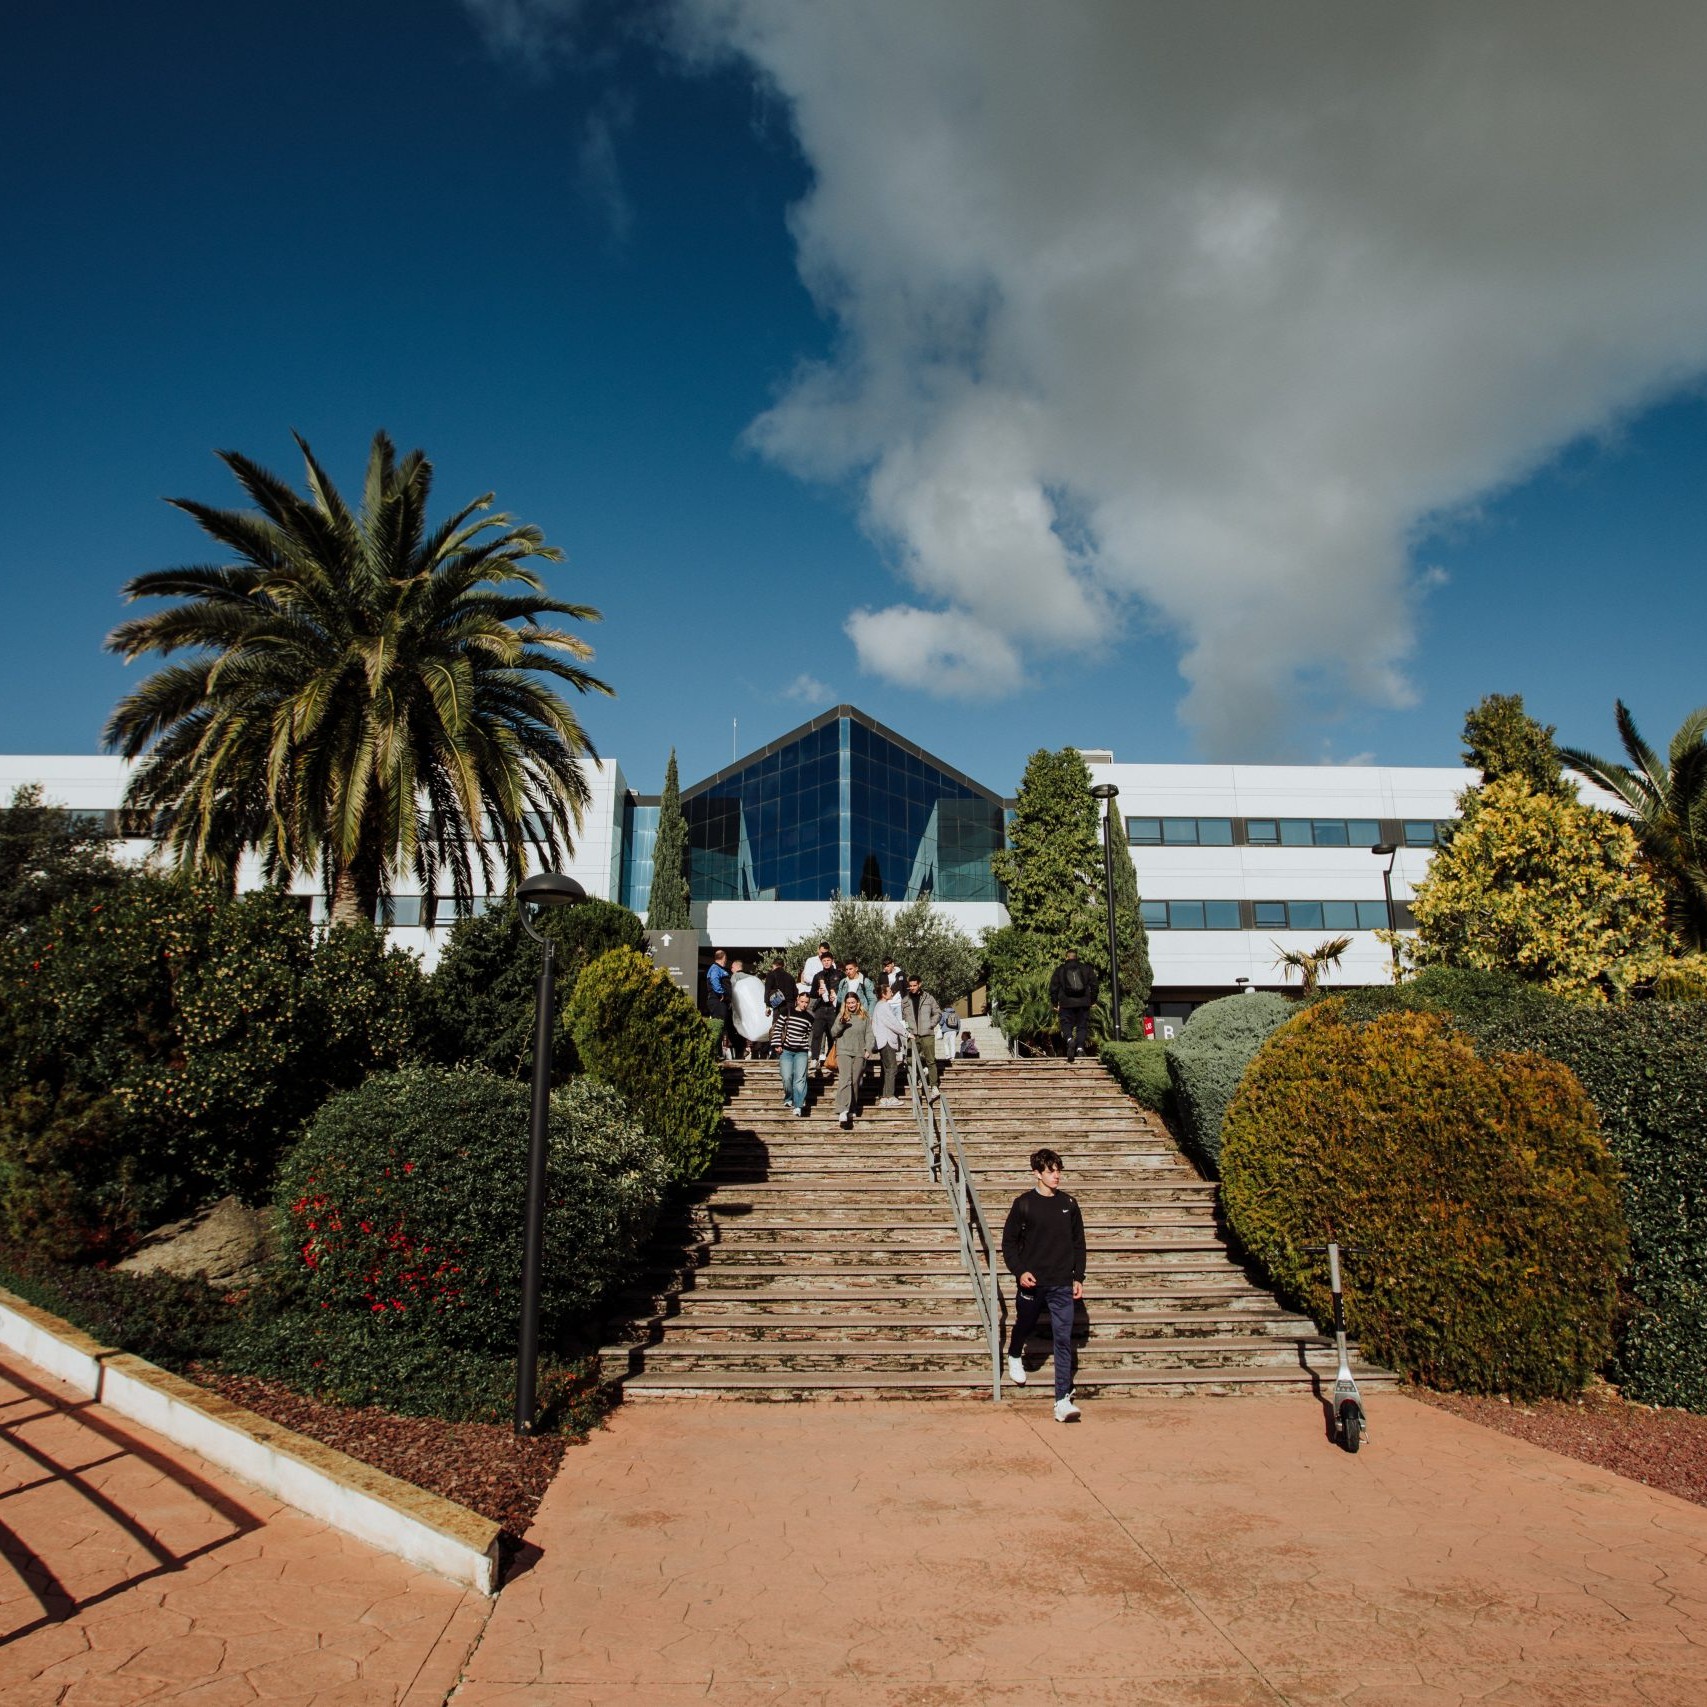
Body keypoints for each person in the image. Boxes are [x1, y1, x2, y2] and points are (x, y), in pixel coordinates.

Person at [1000, 1148, 1086, 1422]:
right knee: (1025, 1323)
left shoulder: (1070, 1204)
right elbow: (1008, 1243)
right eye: (1050, 1171)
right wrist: (1020, 1271)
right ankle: (1014, 1353)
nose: (1056, 1176)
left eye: (1058, 1170)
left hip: (1061, 1283)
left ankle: (1062, 1399)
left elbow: (1078, 1243)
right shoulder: (1023, 1203)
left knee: (1063, 1339)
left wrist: (1078, 1277)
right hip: (1032, 1282)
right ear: (1036, 1173)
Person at [828, 991, 873, 1130]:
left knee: (854, 1081)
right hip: (843, 1052)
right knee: (845, 1079)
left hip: (859, 1052)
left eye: (853, 1002)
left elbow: (869, 1034)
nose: (851, 1005)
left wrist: (868, 1049)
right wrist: (841, 1023)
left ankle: (852, 1107)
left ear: (858, 1002)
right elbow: (833, 1032)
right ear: (845, 1004)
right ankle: (842, 1109)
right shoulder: (841, 1016)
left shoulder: (864, 1016)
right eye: (848, 1003)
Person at [1048, 948, 1099, 1064]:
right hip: (1083, 1002)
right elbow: (1095, 985)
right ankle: (1080, 1048)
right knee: (1082, 1026)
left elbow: (1053, 988)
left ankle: (1070, 1040)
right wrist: (1092, 1000)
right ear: (1076, 957)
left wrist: (1055, 1003)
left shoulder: (1060, 970)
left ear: (1066, 957)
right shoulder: (1086, 968)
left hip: (1066, 1003)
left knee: (1066, 1023)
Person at [902, 974, 942, 1099]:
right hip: (913, 1035)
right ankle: (920, 1075)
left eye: (915, 985)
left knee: (930, 1060)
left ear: (920, 984)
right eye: (910, 986)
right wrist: (907, 1030)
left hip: (927, 1034)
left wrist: (931, 1024)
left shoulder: (929, 998)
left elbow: (938, 1013)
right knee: (909, 1060)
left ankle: (934, 1086)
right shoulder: (905, 1001)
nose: (912, 988)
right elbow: (903, 1018)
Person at [775, 989, 814, 1116]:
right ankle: (788, 1097)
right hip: (786, 1050)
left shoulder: (809, 1018)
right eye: (802, 1001)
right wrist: (777, 1044)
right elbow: (778, 1028)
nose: (804, 1004)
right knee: (786, 1077)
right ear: (797, 999)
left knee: (800, 1079)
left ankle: (798, 1105)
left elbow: (808, 1034)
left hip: (801, 1051)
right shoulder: (787, 1011)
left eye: (806, 1002)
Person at [871, 979, 907, 1106]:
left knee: (886, 1069)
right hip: (886, 1041)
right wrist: (906, 1033)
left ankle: (884, 1096)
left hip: (882, 1040)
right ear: (883, 994)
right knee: (892, 1068)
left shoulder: (878, 1006)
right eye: (890, 991)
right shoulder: (884, 1006)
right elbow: (893, 1023)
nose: (892, 992)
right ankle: (890, 1096)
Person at [807, 951, 839, 1072]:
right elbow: (812, 993)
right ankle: (814, 1059)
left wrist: (836, 996)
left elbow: (842, 990)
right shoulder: (818, 975)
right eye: (824, 960)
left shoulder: (838, 974)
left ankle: (831, 1059)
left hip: (833, 1008)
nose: (826, 962)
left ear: (832, 961)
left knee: (833, 1035)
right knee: (817, 1033)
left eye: (828, 960)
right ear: (821, 962)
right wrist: (818, 993)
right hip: (820, 1008)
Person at [706, 949, 735, 1062]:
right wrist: (721, 993)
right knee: (719, 1024)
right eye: (726, 958)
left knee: (724, 1026)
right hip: (717, 1001)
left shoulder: (721, 969)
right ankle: (716, 1053)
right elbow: (714, 980)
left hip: (723, 1002)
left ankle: (720, 1052)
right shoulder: (715, 968)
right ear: (723, 958)